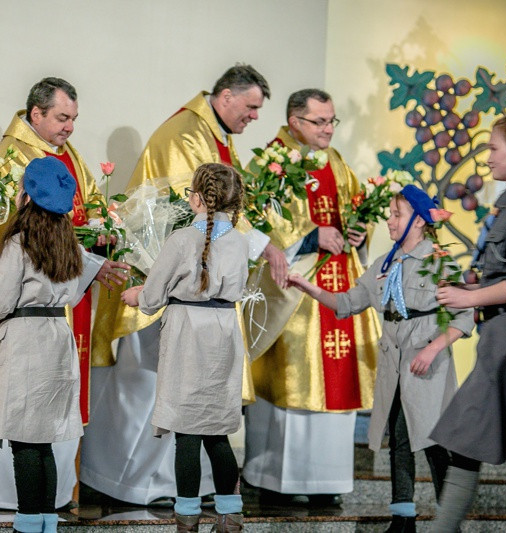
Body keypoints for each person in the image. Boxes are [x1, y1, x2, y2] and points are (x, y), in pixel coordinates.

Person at [82, 64, 287, 506]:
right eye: (250, 107)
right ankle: (142, 484)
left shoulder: (211, 140)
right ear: (227, 96)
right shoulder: (185, 134)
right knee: (198, 416)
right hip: (215, 325)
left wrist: (144, 296)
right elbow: (171, 208)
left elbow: (172, 264)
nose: (253, 117)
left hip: (181, 314)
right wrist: (263, 244)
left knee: (181, 422)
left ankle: (180, 501)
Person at [0, 77, 128, 510]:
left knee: (26, 432)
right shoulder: (11, 157)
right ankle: (16, 503)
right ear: (36, 114)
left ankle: (29, 514)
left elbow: (20, 263)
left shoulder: (66, 160)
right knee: (43, 433)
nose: (69, 128)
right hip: (43, 324)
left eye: (73, 119)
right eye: (62, 118)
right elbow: (9, 232)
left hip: (20, 319)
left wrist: (102, 249)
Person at [287, 184, 474, 532]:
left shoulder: (439, 262)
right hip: (395, 364)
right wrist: (308, 288)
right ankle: (403, 519)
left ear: (418, 221)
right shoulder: (384, 263)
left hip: (427, 363)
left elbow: (464, 318)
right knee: (399, 439)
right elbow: (347, 303)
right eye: (390, 214)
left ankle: (450, 521)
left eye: (396, 215)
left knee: (434, 441)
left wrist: (433, 348)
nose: (389, 221)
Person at [243, 88, 380, 504]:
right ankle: (271, 479)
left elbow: (355, 208)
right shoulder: (270, 161)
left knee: (337, 381)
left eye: (332, 121)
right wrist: (307, 237)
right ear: (294, 121)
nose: (328, 129)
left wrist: (359, 230)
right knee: (292, 380)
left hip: (339, 286)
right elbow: (251, 220)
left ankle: (327, 482)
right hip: (296, 294)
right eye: (320, 122)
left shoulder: (336, 161)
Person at [0, 157, 105, 533]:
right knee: (43, 442)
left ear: (25, 195)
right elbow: (63, 290)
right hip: (57, 338)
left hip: (26, 343)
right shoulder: (67, 240)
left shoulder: (18, 240)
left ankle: (26, 524)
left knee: (24, 441)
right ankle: (45, 522)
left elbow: (2, 304)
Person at [121, 163, 249, 532]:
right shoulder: (239, 241)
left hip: (188, 335)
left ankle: (188, 517)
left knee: (187, 431)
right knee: (217, 429)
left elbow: (154, 294)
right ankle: (230, 515)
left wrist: (138, 295)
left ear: (196, 198)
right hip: (224, 331)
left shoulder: (180, 239)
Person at [429, 111, 506, 532]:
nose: (485, 158)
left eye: (493, 148)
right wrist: (467, 282)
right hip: (501, 344)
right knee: (466, 438)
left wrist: (469, 296)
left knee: (465, 435)